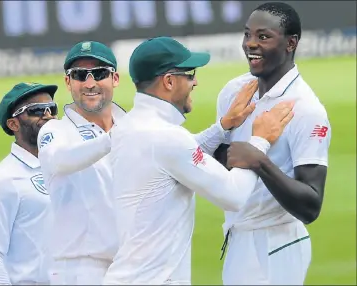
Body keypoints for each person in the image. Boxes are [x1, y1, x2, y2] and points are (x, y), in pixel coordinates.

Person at [103, 36, 294, 285]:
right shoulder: (165, 137)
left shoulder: (130, 126)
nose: (196, 82)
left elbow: (177, 156)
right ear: (169, 81)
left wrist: (224, 126)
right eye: (189, 74)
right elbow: (233, 195)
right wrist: (260, 140)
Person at [214, 2, 331, 285]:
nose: (250, 45)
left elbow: (310, 206)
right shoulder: (234, 91)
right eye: (247, 35)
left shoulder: (306, 109)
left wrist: (259, 161)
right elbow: (221, 157)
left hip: (276, 243)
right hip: (237, 235)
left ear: (291, 43)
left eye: (263, 37)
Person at [36, 41, 126, 285]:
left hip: (132, 265)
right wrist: (113, 139)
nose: (89, 83)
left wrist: (221, 129)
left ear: (115, 78)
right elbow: (60, 160)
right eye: (78, 75)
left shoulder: (130, 125)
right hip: (78, 270)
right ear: (68, 82)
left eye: (99, 74)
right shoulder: (55, 130)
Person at [0, 82, 58, 285]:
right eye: (37, 110)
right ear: (13, 124)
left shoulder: (65, 165)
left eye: (52, 109)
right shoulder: (3, 180)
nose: (47, 115)